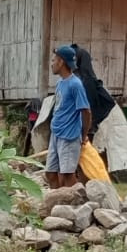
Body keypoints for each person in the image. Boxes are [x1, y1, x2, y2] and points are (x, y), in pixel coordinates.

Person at [45, 46, 91, 189]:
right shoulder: (60, 83)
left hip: (69, 135)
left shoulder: (75, 84)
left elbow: (86, 111)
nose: (52, 64)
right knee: (50, 173)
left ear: (61, 62)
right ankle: (57, 199)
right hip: (56, 133)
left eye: (54, 60)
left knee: (67, 175)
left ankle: (78, 198)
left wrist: (83, 135)